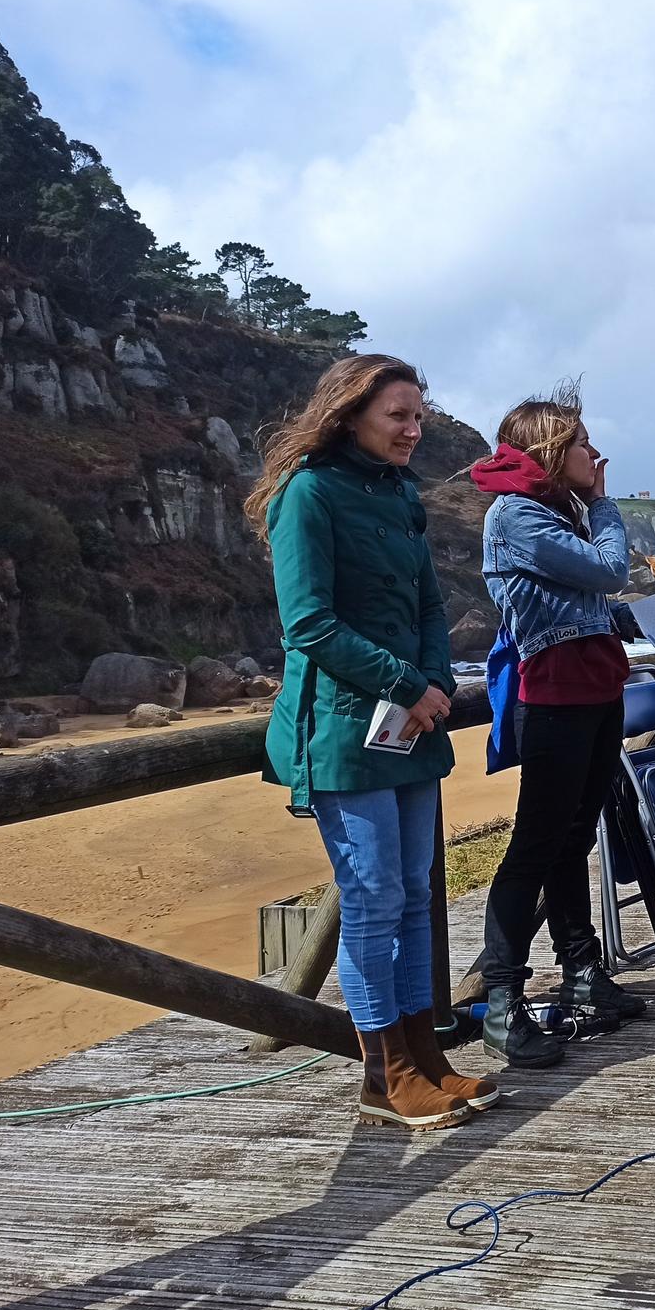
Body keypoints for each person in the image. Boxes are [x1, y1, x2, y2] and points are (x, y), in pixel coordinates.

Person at [250, 353, 490, 1131]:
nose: (415, 429)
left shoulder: (400, 496)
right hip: (345, 728)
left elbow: (428, 603)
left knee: (418, 893)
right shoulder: (307, 495)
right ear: (350, 413)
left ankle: (428, 1057)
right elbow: (309, 624)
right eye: (399, 416)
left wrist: (433, 683)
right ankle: (384, 1076)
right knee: (374, 899)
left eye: (420, 415)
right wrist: (407, 684)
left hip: (409, 723)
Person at [473, 385, 648, 1069]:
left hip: (595, 692)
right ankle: (501, 1003)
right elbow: (607, 570)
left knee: (574, 837)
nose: (594, 453)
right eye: (580, 442)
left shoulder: (553, 509)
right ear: (550, 451)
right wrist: (604, 504)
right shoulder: (516, 514)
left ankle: (582, 973)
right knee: (535, 846)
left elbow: (590, 595)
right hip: (553, 698)